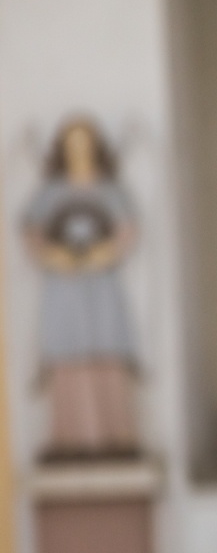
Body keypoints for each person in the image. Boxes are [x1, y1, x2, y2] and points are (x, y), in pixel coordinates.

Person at [23, 117, 141, 460]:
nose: (79, 150)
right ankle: (71, 439)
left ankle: (116, 436)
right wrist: (55, 257)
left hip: (101, 286)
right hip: (64, 289)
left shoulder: (110, 190)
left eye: (84, 142)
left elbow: (125, 233)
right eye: (71, 143)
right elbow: (34, 233)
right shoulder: (51, 193)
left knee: (106, 351)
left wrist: (100, 256)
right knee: (67, 356)